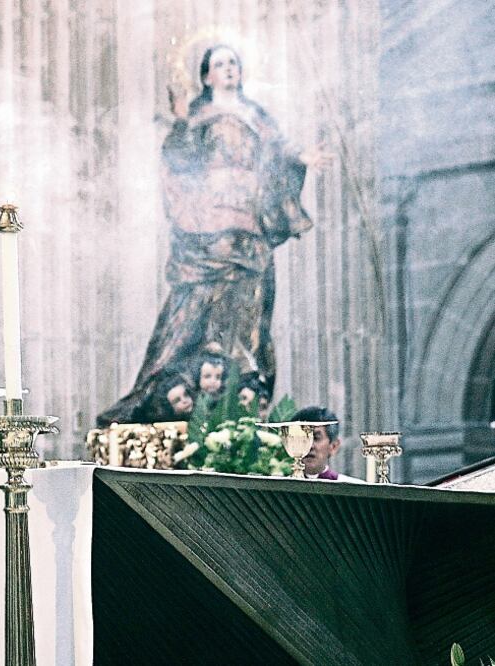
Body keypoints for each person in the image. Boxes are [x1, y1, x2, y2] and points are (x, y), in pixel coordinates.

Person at [97, 44, 329, 426]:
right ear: (206, 76)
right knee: (191, 311)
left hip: (249, 233)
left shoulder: (257, 117)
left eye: (233, 63)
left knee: (250, 324)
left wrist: (301, 158)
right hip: (210, 229)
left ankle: (247, 403)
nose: (229, 69)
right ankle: (167, 392)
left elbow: (279, 155)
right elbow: (179, 161)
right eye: (220, 64)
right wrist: (180, 119)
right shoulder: (198, 116)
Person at [291, 406, 363, 482]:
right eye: (303, 439)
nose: (310, 446)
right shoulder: (281, 488)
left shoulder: (353, 488)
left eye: (316, 438)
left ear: (333, 446)